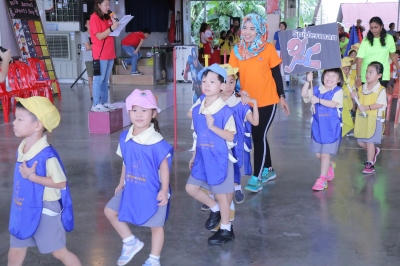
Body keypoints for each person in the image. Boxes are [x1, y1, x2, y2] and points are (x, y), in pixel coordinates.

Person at [8, 96, 81, 266]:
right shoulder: (23, 147)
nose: (14, 123)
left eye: (20, 119)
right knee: (15, 251)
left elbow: (61, 183)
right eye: (15, 118)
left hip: (44, 209)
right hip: (23, 206)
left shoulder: (47, 156)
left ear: (37, 125)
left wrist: (32, 177)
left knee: (59, 252)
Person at [104, 89, 173, 266]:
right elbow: (126, 161)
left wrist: (164, 191)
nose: (139, 114)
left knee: (155, 226)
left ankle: (154, 259)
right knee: (110, 211)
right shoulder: (124, 137)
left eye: (144, 110)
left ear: (153, 113)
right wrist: (121, 183)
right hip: (131, 185)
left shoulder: (156, 140)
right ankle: (130, 241)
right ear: (128, 113)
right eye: (134, 110)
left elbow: (164, 168)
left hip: (153, 189)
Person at [229, 13, 290, 193]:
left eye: (252, 28)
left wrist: (282, 96)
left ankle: (256, 177)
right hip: (246, 101)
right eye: (245, 28)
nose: (247, 32)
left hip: (267, 100)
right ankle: (268, 170)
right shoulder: (237, 50)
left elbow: (276, 74)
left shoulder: (268, 48)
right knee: (259, 135)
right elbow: (233, 75)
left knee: (258, 134)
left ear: (260, 30)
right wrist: (236, 92)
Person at [185, 64, 236, 245]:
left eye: (212, 81)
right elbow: (199, 134)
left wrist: (213, 126)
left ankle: (226, 230)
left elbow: (231, 136)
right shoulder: (199, 108)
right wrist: (194, 154)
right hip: (202, 156)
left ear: (222, 86)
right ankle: (214, 208)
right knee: (191, 188)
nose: (206, 84)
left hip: (219, 158)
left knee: (222, 195)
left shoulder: (226, 111)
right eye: (204, 81)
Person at [219, 64, 259, 203]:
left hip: (236, 141)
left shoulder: (240, 103)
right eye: (224, 82)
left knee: (235, 164)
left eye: (231, 81)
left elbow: (254, 122)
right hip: (219, 140)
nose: (228, 86)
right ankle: (215, 194)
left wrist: (254, 103)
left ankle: (237, 188)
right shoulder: (213, 103)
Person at [301, 69, 344, 191]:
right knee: (319, 154)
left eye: (334, 76)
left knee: (325, 155)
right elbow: (304, 95)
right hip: (318, 127)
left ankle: (322, 179)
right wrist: (307, 81)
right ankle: (330, 165)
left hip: (330, 128)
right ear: (322, 77)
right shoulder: (316, 89)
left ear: (339, 80)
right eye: (327, 75)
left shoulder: (338, 91)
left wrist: (318, 100)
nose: (330, 78)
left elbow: (333, 104)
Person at [351, 62, 386, 174]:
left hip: (374, 120)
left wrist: (365, 107)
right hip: (362, 119)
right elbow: (357, 103)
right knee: (361, 142)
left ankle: (370, 163)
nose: (367, 74)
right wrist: (354, 98)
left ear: (379, 75)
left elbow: (380, 104)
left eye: (371, 72)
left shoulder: (381, 90)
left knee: (370, 142)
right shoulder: (361, 88)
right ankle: (373, 152)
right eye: (367, 71)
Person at [90, 0, 119, 112]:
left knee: (105, 79)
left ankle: (105, 102)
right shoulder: (94, 18)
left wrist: (112, 14)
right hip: (100, 53)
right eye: (105, 5)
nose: (108, 7)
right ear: (99, 5)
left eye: (109, 5)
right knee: (99, 79)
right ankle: (96, 103)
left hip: (109, 52)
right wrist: (111, 28)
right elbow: (100, 36)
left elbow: (117, 21)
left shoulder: (107, 16)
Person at [356, 17, 400, 90]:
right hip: (367, 75)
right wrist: (358, 77)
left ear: (381, 26)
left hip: (383, 74)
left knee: (380, 99)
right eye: (371, 28)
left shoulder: (389, 38)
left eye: (376, 27)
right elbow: (359, 60)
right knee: (367, 100)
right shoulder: (366, 40)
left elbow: (392, 55)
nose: (373, 30)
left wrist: (398, 69)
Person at [341, 57, 355, 137]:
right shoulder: (337, 80)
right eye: (344, 69)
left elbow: (353, 93)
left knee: (348, 117)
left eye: (348, 69)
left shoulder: (351, 81)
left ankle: (348, 130)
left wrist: (354, 103)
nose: (347, 71)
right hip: (340, 104)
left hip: (348, 103)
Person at [273, 21, 290, 86]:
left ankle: (287, 79)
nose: (281, 27)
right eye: (280, 26)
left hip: (285, 51)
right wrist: (273, 51)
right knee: (278, 65)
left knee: (286, 65)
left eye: (282, 26)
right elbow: (274, 43)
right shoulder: (276, 33)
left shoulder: (287, 33)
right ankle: (278, 79)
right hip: (278, 51)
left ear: (285, 26)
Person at [82, 17, 94, 100]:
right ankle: (91, 93)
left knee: (98, 76)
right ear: (86, 25)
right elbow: (87, 47)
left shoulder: (95, 34)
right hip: (89, 58)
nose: (90, 25)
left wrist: (92, 46)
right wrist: (95, 45)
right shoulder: (84, 34)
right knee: (90, 76)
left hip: (97, 57)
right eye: (89, 23)